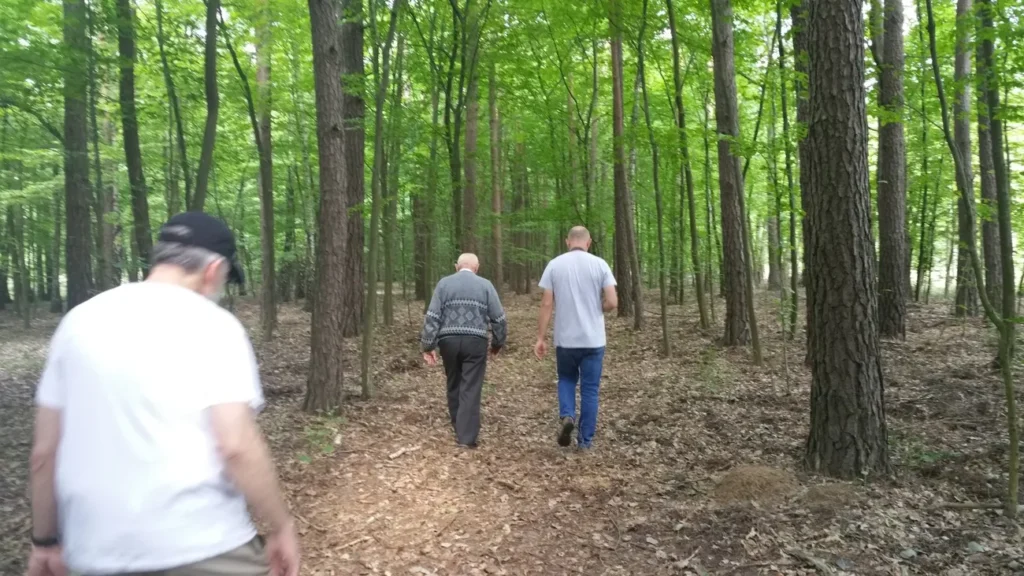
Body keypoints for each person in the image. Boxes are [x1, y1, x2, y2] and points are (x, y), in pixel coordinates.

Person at [27, 211, 300, 576]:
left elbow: (44, 453)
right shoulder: (214, 325)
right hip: (203, 545)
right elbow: (236, 445)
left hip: (91, 552)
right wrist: (281, 525)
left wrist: (44, 541)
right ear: (213, 270)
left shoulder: (77, 322)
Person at [534, 226, 617, 449]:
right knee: (590, 389)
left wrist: (540, 337)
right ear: (588, 243)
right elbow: (612, 302)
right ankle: (585, 442)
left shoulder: (555, 265)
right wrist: (598, 308)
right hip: (593, 340)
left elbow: (547, 303)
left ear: (567, 242)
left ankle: (567, 416)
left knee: (567, 380)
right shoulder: (600, 265)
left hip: (566, 340)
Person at [420, 253, 508, 448]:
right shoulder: (485, 285)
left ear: (456, 267)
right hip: (475, 341)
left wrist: (428, 345)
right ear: (476, 268)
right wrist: (497, 343)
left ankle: (457, 423)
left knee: (454, 382)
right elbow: (499, 318)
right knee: (471, 386)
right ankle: (466, 437)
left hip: (448, 341)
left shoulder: (444, 284)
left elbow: (432, 315)